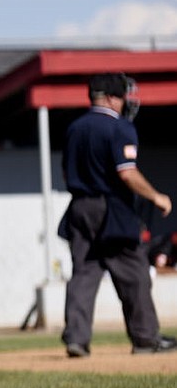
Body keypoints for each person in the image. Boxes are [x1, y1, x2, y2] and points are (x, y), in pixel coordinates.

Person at [59, 73, 175, 356]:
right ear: (112, 98)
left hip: (79, 207)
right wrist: (156, 196)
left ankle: (77, 339)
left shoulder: (75, 128)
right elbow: (127, 173)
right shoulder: (119, 128)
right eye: (123, 97)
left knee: (84, 274)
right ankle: (146, 338)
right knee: (134, 271)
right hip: (111, 208)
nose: (126, 102)